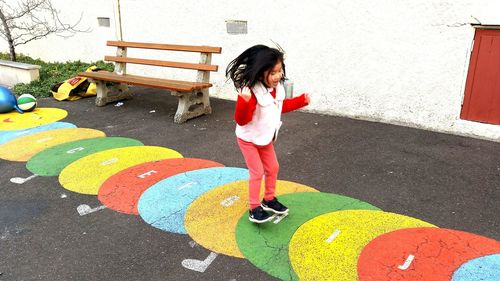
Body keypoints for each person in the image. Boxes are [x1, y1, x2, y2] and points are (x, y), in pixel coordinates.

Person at [226, 44, 310, 223]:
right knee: (257, 172)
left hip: (265, 138)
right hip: (248, 139)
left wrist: (301, 101)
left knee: (273, 168)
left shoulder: (278, 88)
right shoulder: (252, 93)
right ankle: (254, 207)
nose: (277, 76)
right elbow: (241, 120)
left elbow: (281, 107)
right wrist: (243, 102)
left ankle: (269, 200)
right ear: (260, 72)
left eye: (279, 71)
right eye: (273, 73)